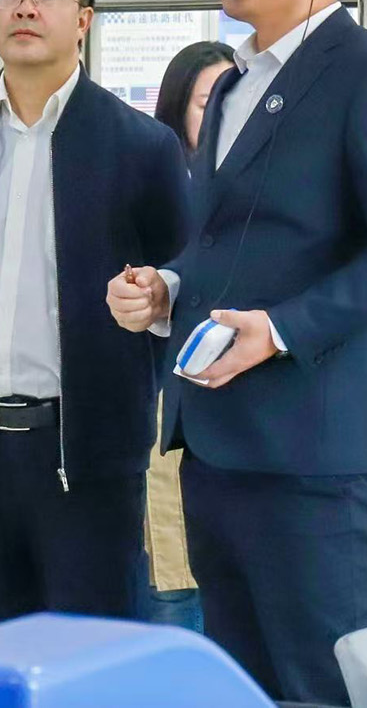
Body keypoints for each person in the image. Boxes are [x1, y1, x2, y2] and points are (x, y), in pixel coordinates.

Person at [107, 0, 367, 705]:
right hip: (216, 449)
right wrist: (169, 288)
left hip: (316, 462)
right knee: (241, 689)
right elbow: (228, 243)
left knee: (317, 688)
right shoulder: (232, 84)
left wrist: (283, 327)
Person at [0, 0, 191, 633]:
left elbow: (186, 286)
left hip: (86, 452)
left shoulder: (141, 146)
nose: (25, 7)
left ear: (84, 19)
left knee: (87, 655)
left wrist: (155, 300)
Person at [138, 39, 234, 632]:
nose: (223, 114)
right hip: (168, 398)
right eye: (206, 103)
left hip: (252, 414)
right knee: (177, 583)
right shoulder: (154, 182)